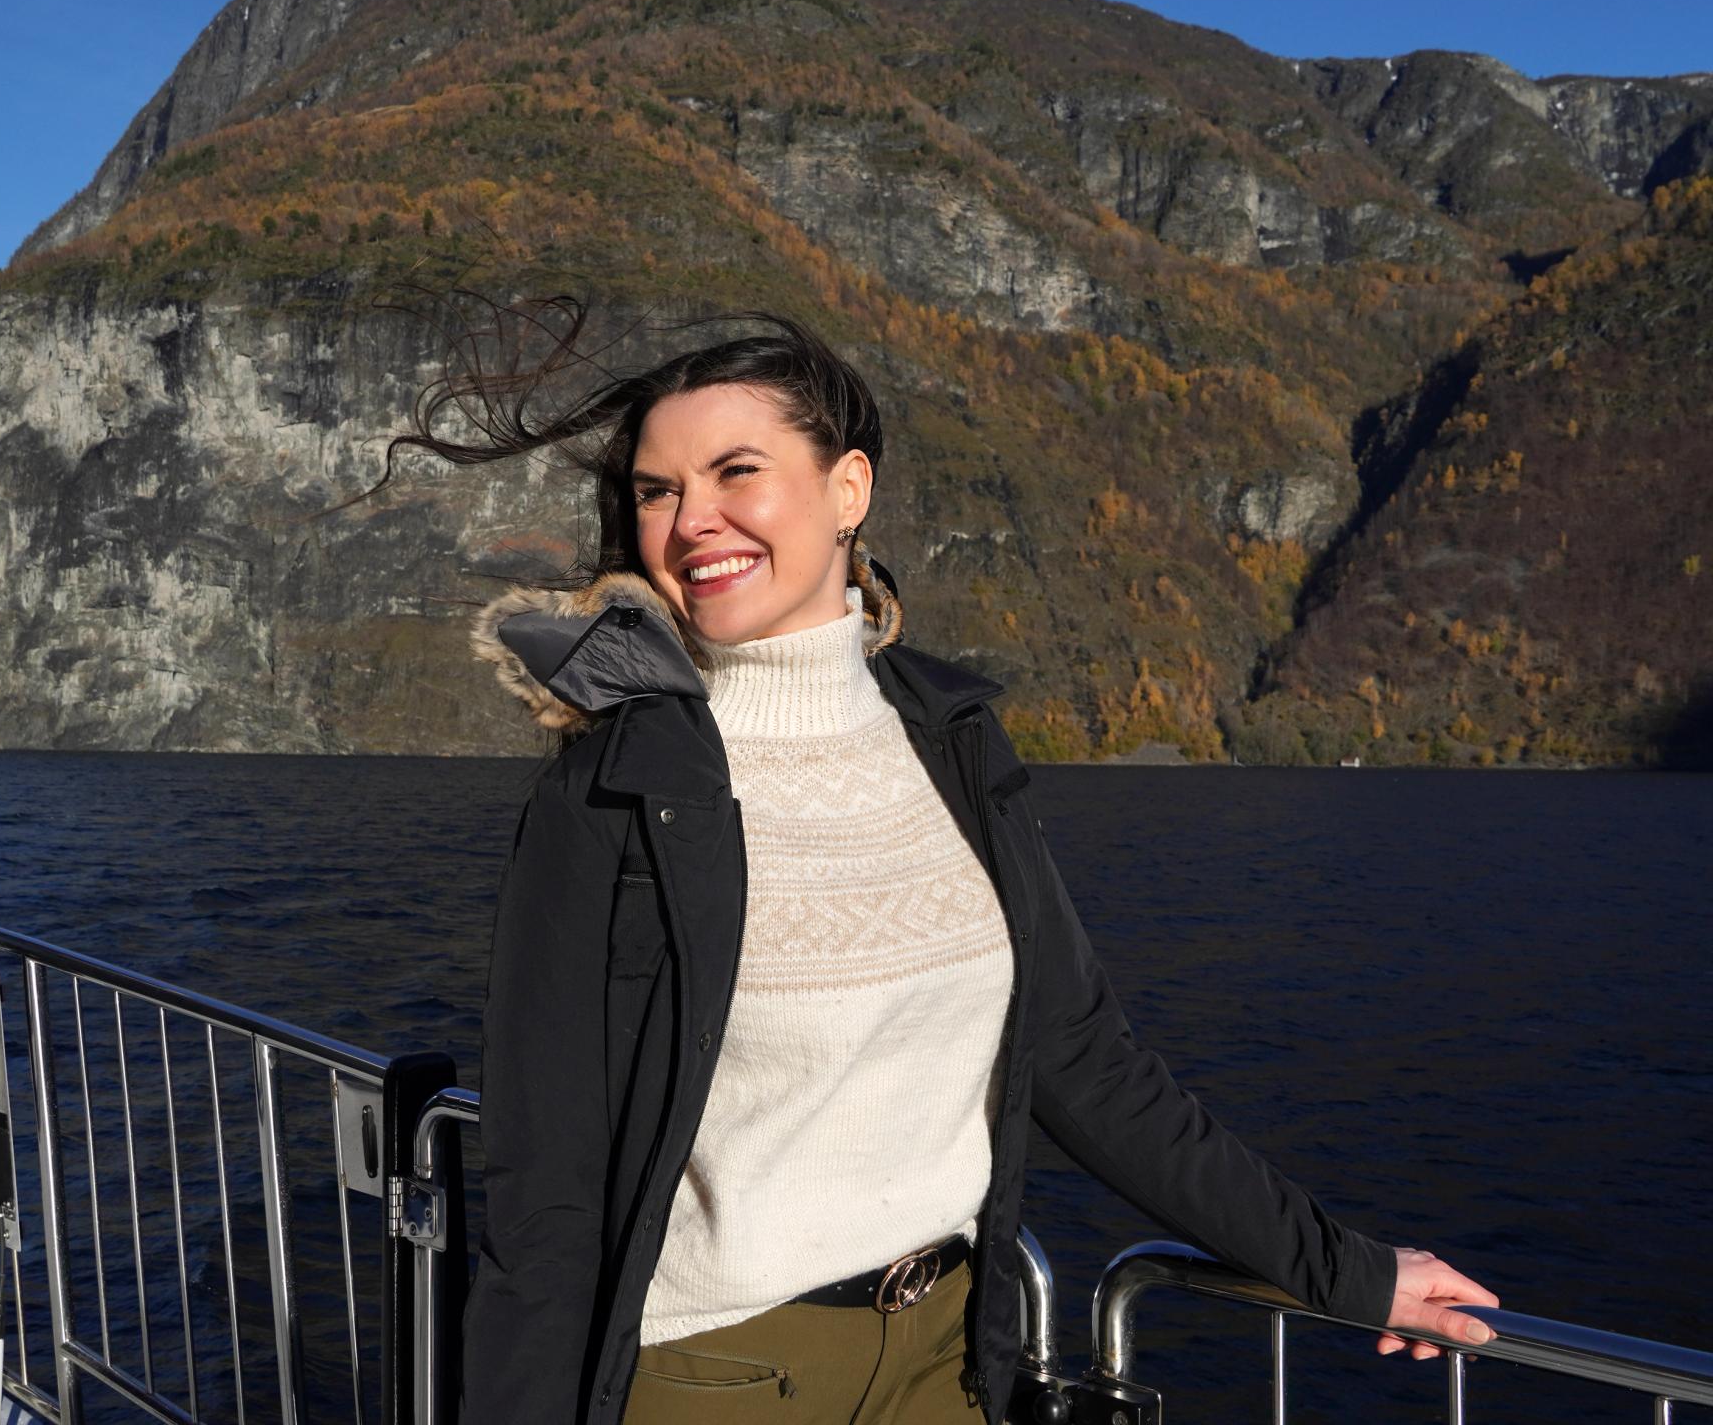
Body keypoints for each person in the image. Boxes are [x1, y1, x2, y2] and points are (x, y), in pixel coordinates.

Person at [364, 298, 1498, 1425]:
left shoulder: (950, 742)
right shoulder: (614, 784)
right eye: (658, 490)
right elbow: (544, 1184)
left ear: (846, 488)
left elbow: (1087, 1068)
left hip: (947, 1366)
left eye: (735, 472)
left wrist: (1342, 1269)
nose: (689, 520)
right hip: (716, 1376)